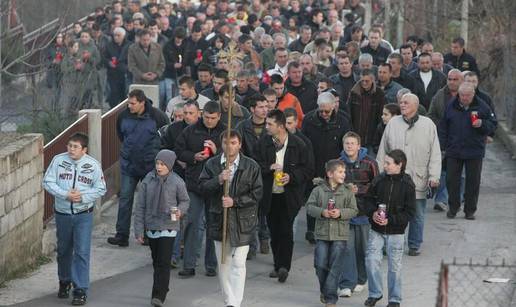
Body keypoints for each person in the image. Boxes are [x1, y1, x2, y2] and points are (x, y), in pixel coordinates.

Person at [199, 130, 263, 307]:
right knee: (224, 263)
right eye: (226, 143)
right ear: (222, 144)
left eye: (233, 142)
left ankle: (236, 302)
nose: (230, 146)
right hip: (220, 219)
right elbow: (202, 187)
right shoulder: (212, 164)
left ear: (240, 144)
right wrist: (218, 180)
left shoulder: (251, 166)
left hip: (243, 221)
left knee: (239, 263)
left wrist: (234, 201)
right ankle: (229, 300)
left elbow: (257, 193)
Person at [43, 133, 106, 306]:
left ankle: (80, 289)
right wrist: (65, 194)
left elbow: (101, 188)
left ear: (84, 149)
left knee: (82, 252)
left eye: (75, 146)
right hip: (62, 214)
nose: (71, 149)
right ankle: (64, 281)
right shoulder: (58, 160)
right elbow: (47, 182)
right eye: (70, 145)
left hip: (83, 214)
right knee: (63, 251)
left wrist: (82, 197)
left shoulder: (93, 165)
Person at [377, 93, 441, 256]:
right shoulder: (392, 123)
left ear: (415, 105)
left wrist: (434, 177)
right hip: (394, 177)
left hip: (418, 177)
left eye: (406, 102)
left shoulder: (428, 125)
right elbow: (383, 150)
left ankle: (414, 244)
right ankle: (388, 245)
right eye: (401, 102)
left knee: (417, 214)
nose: (402, 105)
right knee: (391, 211)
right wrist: (379, 173)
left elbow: (435, 153)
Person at [255, 109, 312, 283]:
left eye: (269, 124)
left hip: (289, 196)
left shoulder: (299, 144)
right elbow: (255, 164)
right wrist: (268, 168)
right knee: (274, 230)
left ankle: (284, 267)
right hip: (269, 195)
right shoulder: (263, 143)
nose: (266, 127)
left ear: (280, 126)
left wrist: (291, 176)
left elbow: (308, 170)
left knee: (286, 230)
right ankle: (277, 264)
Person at [108, 90, 170, 247]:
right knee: (125, 200)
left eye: (133, 103)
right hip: (129, 165)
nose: (130, 106)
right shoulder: (123, 116)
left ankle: (148, 234)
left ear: (142, 102)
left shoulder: (158, 116)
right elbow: (121, 136)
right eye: (129, 103)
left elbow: (166, 136)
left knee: (149, 201)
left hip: (150, 166)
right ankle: (121, 235)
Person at [175, 101, 226, 278]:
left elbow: (236, 154)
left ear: (219, 116)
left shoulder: (225, 132)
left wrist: (218, 150)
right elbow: (179, 151)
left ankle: (211, 265)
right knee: (192, 223)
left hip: (216, 186)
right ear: (202, 115)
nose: (209, 121)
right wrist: (193, 157)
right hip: (194, 185)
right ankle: (189, 265)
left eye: (213, 118)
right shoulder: (191, 130)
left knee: (213, 225)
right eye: (206, 117)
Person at [133, 150, 190, 307]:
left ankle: (158, 295)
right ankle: (163, 286)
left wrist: (180, 210)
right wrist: (138, 230)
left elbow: (185, 201)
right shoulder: (148, 180)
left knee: (164, 262)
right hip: (152, 225)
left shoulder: (177, 182)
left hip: (169, 226)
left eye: (162, 164)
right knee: (157, 260)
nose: (159, 167)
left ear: (170, 165)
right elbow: (140, 206)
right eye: (157, 163)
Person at [364, 149, 416, 307]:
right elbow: (367, 201)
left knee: (395, 267)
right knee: (371, 261)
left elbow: (410, 213)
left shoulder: (408, 185)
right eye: (384, 162)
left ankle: (394, 299)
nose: (384, 165)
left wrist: (391, 220)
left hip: (396, 233)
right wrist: (372, 214)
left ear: (399, 165)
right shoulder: (379, 180)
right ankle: (375, 293)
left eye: (388, 163)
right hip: (376, 230)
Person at [439, 83, 497, 220]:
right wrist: (443, 146)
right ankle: (453, 207)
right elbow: (443, 127)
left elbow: (493, 124)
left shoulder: (482, 106)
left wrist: (482, 124)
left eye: (467, 95)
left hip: (474, 150)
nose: (464, 98)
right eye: (462, 95)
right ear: (458, 94)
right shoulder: (451, 105)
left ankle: (470, 210)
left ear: (473, 94)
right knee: (451, 181)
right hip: (454, 149)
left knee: (473, 182)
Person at [306, 159, 358, 307]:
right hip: (322, 233)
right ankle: (325, 290)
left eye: (344, 172)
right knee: (320, 264)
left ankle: (330, 299)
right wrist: (322, 212)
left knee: (335, 265)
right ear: (330, 174)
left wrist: (340, 213)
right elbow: (309, 207)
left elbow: (354, 210)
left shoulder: (347, 191)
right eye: (340, 172)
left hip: (340, 235)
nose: (344, 174)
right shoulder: (318, 190)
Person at [338, 132, 379, 297]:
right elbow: (331, 184)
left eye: (352, 143)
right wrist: (346, 190)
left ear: (359, 145)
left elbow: (377, 186)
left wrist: (359, 190)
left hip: (364, 212)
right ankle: (346, 283)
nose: (349, 146)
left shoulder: (370, 163)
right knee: (347, 249)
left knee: (362, 249)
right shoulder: (338, 162)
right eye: (346, 143)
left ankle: (361, 279)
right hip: (345, 213)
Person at [348, 69, 386, 150]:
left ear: (373, 80)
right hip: (356, 133)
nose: (364, 83)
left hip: (372, 136)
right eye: (362, 81)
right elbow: (349, 113)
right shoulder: (354, 93)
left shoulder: (379, 94)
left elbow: (381, 115)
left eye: (367, 81)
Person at [103, 27, 130, 108]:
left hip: (125, 72)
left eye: (118, 35)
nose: (116, 37)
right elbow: (104, 57)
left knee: (124, 94)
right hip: (113, 73)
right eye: (115, 35)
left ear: (123, 36)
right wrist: (108, 62)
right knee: (113, 93)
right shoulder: (109, 46)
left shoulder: (129, 45)